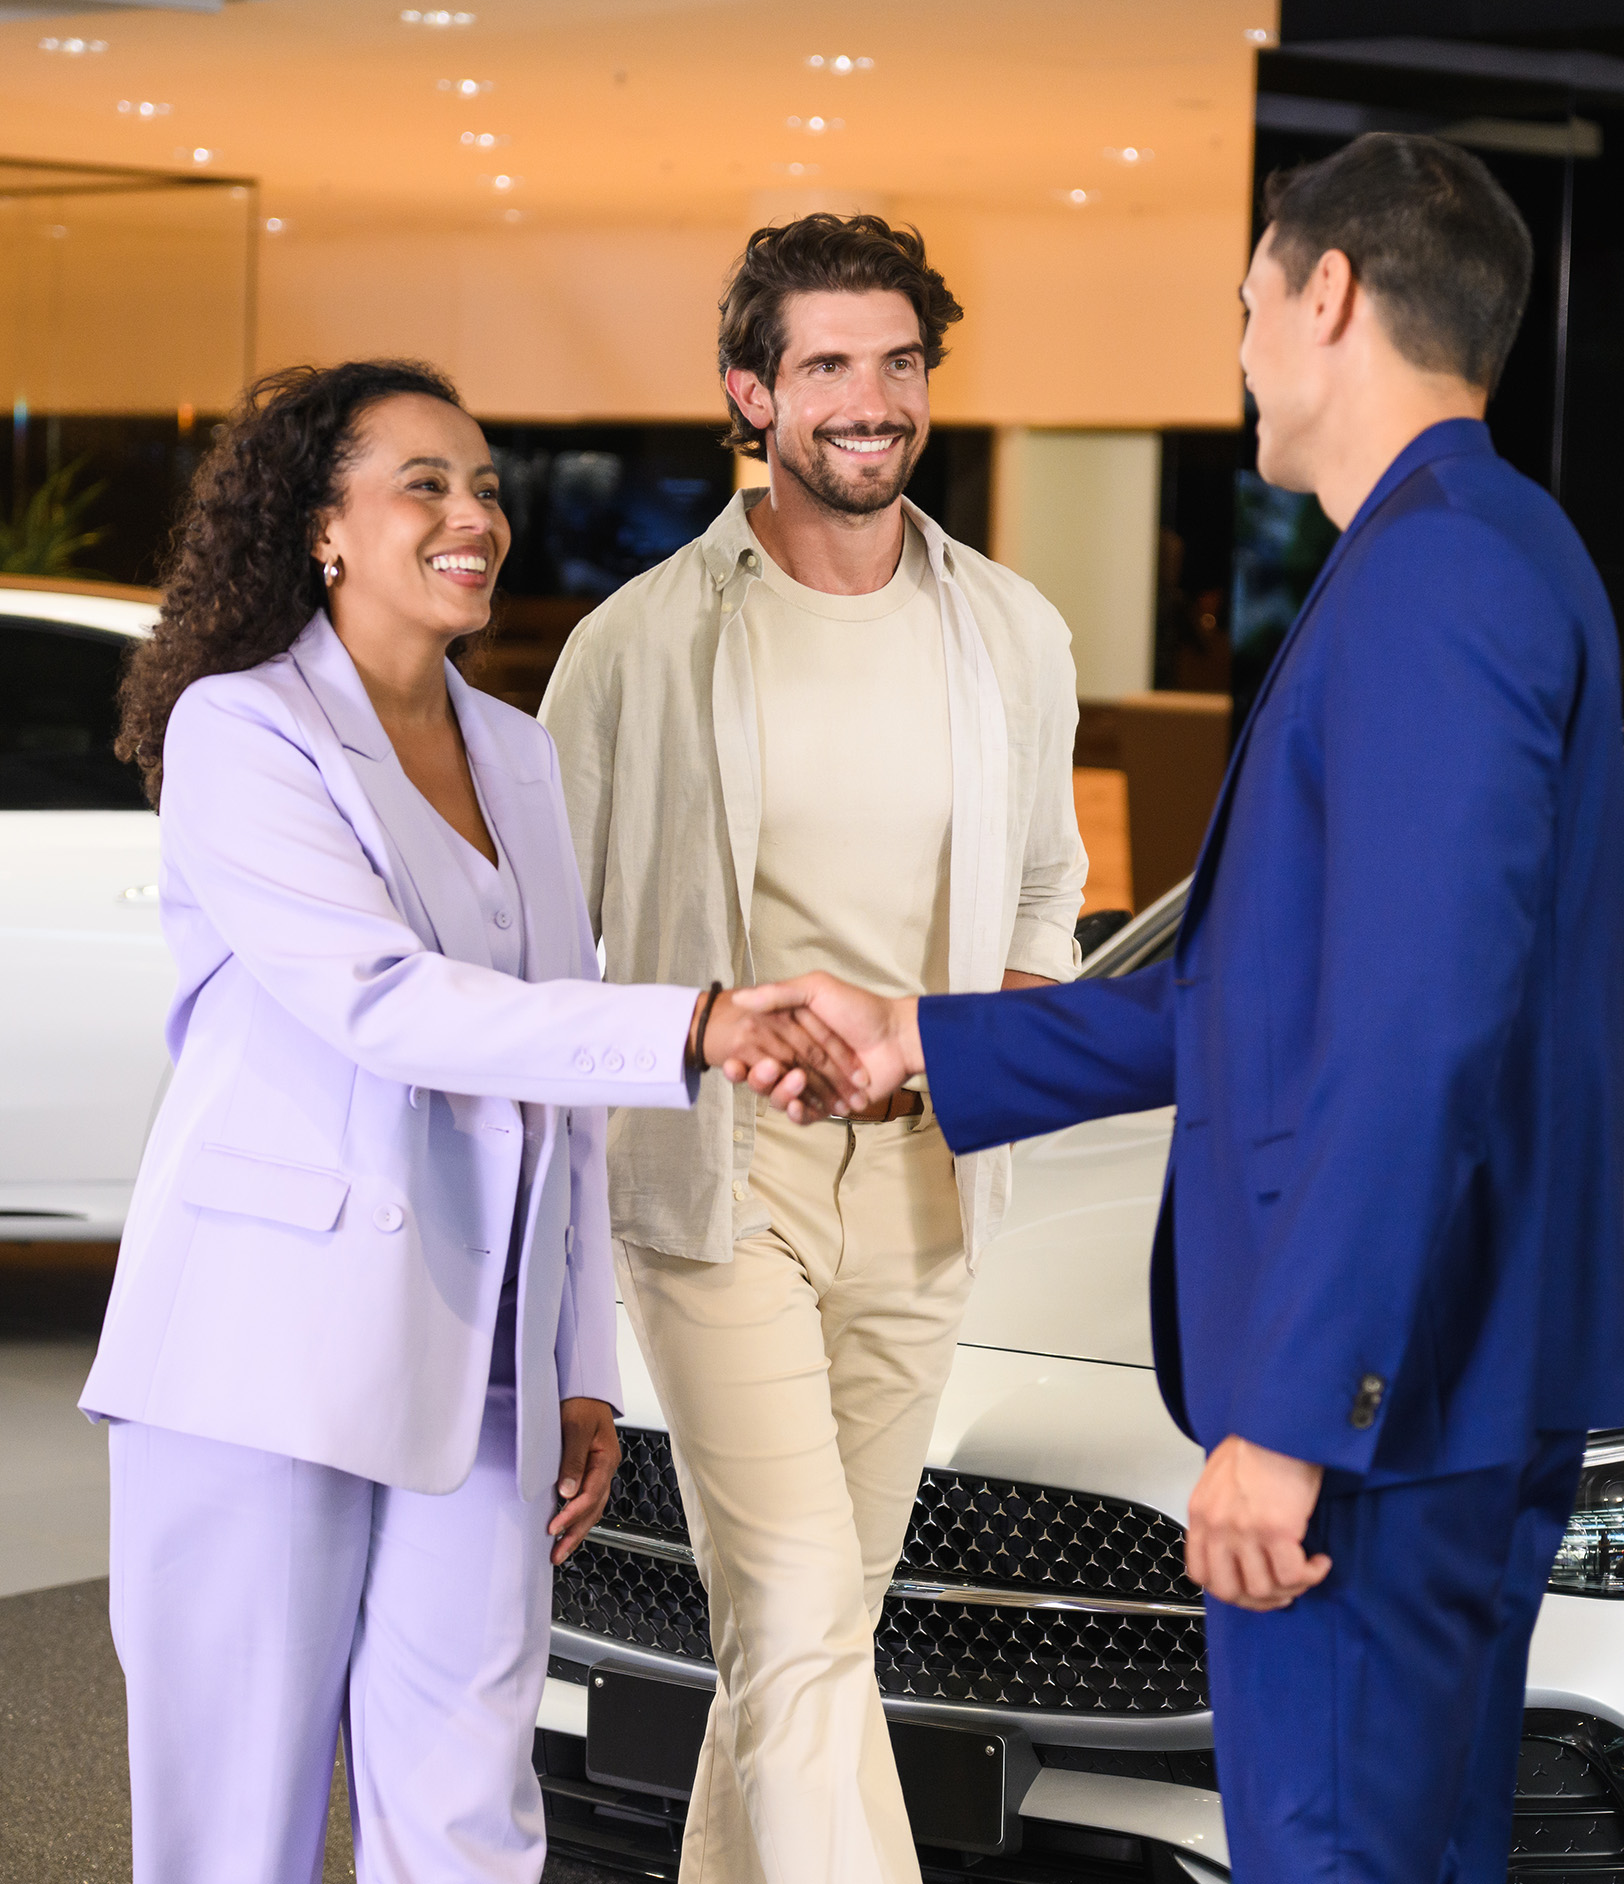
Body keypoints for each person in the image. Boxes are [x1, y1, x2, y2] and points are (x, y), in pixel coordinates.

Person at [736, 135, 1624, 1883]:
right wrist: (928, 1038)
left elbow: (1412, 1036)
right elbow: (1257, 1002)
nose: (1234, 354)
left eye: (1243, 306)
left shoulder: (1436, 578)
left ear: (1328, 294)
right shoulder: (1485, 547)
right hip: (1442, 1406)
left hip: (1389, 1426)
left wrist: (1296, 1415)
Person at [85, 360, 844, 1884]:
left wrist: (573, 1365)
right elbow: (384, 1001)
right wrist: (691, 1019)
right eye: (422, 484)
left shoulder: (517, 751)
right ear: (323, 529)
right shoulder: (242, 732)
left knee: (470, 1807)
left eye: (486, 484)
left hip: (482, 1378)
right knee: (239, 1822)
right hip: (262, 1354)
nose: (473, 516)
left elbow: (552, 1090)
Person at [538, 214, 1085, 1884]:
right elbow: (555, 957)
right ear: (750, 393)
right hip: (721, 1185)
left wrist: (952, 1044)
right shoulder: (642, 640)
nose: (871, 397)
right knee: (791, 1617)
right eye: (830, 364)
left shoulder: (1010, 630)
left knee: (815, 1635)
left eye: (900, 362)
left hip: (925, 1185)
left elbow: (1049, 885)